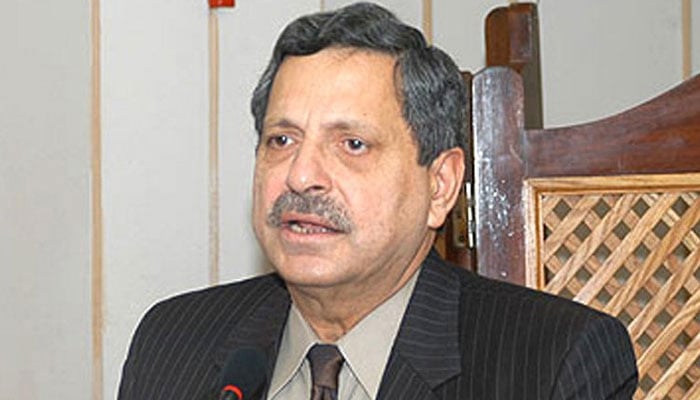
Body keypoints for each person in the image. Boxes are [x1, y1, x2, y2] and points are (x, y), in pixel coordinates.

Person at [118, 3, 638, 399]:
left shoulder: (553, 364)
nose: (301, 175)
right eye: (282, 140)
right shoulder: (173, 344)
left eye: (352, 144)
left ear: (440, 185)